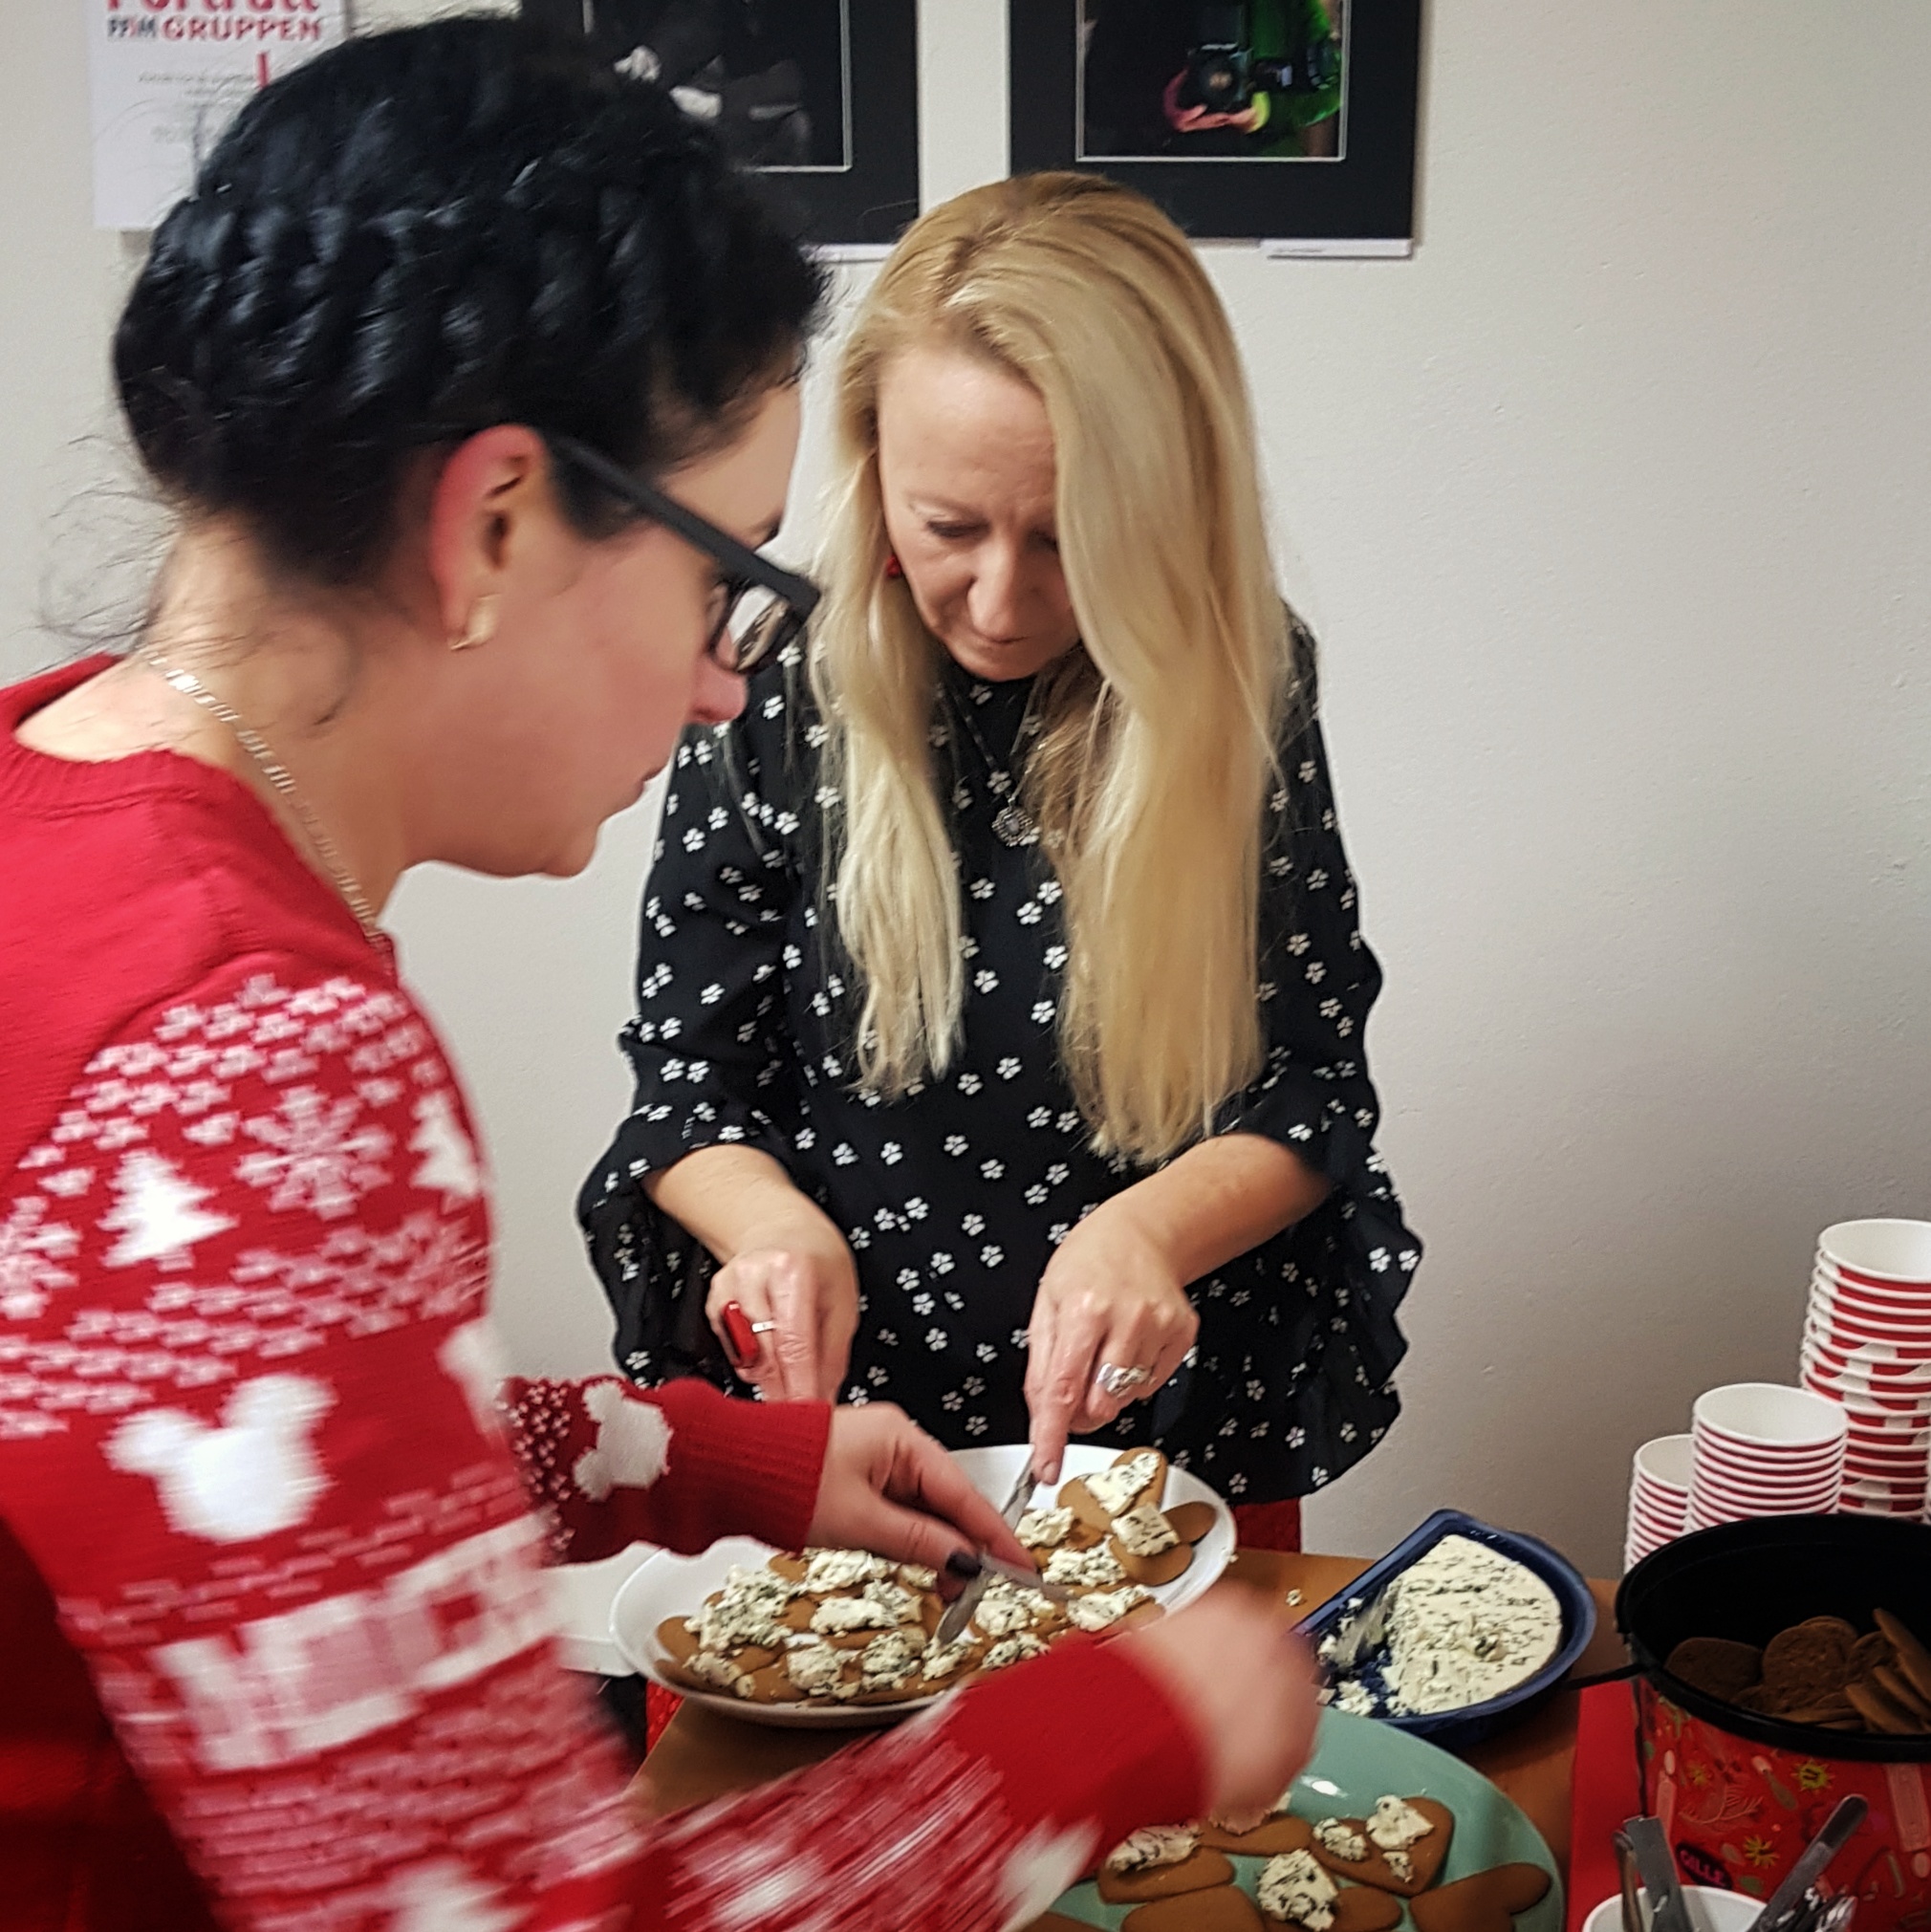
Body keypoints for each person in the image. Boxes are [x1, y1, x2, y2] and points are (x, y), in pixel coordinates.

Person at [0, 22, 1317, 1930]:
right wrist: (1115, 1734)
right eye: (724, 576)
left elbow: (215, 1452)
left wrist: (690, 1456)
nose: (724, 676)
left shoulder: (52, 788)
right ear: (501, 520)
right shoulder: (245, 1053)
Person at [581, 171, 1421, 1550]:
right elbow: (688, 1086)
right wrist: (770, 1230)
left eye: (1069, 535)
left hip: (1159, 1450)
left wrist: (1147, 1234)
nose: (1001, 597)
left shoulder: (1239, 685)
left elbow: (1315, 1085)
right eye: (949, 526)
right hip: (853, 1451)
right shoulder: (777, 690)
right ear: (869, 468)